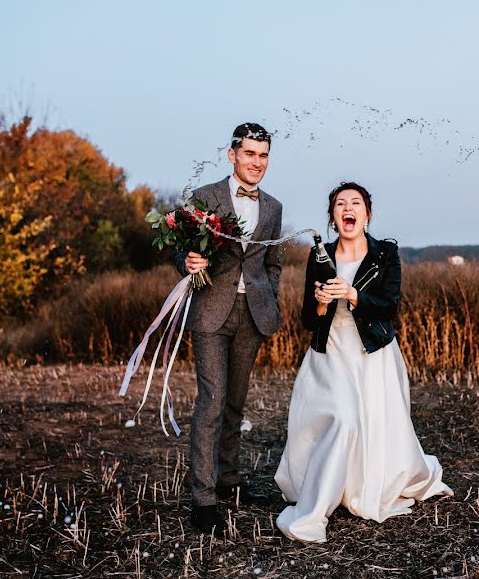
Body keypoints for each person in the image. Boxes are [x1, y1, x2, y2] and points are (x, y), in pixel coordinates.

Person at [274, 181, 452, 542]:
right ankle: (314, 508)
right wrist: (323, 303)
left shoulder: (385, 254)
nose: (347, 208)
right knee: (343, 418)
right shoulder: (319, 256)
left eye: (355, 203)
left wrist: (353, 294)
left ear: (367, 215)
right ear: (333, 217)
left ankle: (355, 487)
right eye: (340, 204)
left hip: (372, 354)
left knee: (369, 423)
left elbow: (389, 306)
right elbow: (309, 318)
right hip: (331, 352)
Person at [174, 123, 283, 536]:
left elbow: (273, 263)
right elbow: (182, 249)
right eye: (250, 153)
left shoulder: (273, 208)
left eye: (264, 155)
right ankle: (203, 500)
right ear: (232, 154)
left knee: (236, 403)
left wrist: (269, 297)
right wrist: (187, 260)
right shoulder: (205, 198)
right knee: (212, 401)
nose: (257, 162)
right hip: (210, 313)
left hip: (252, 315)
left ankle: (229, 482)